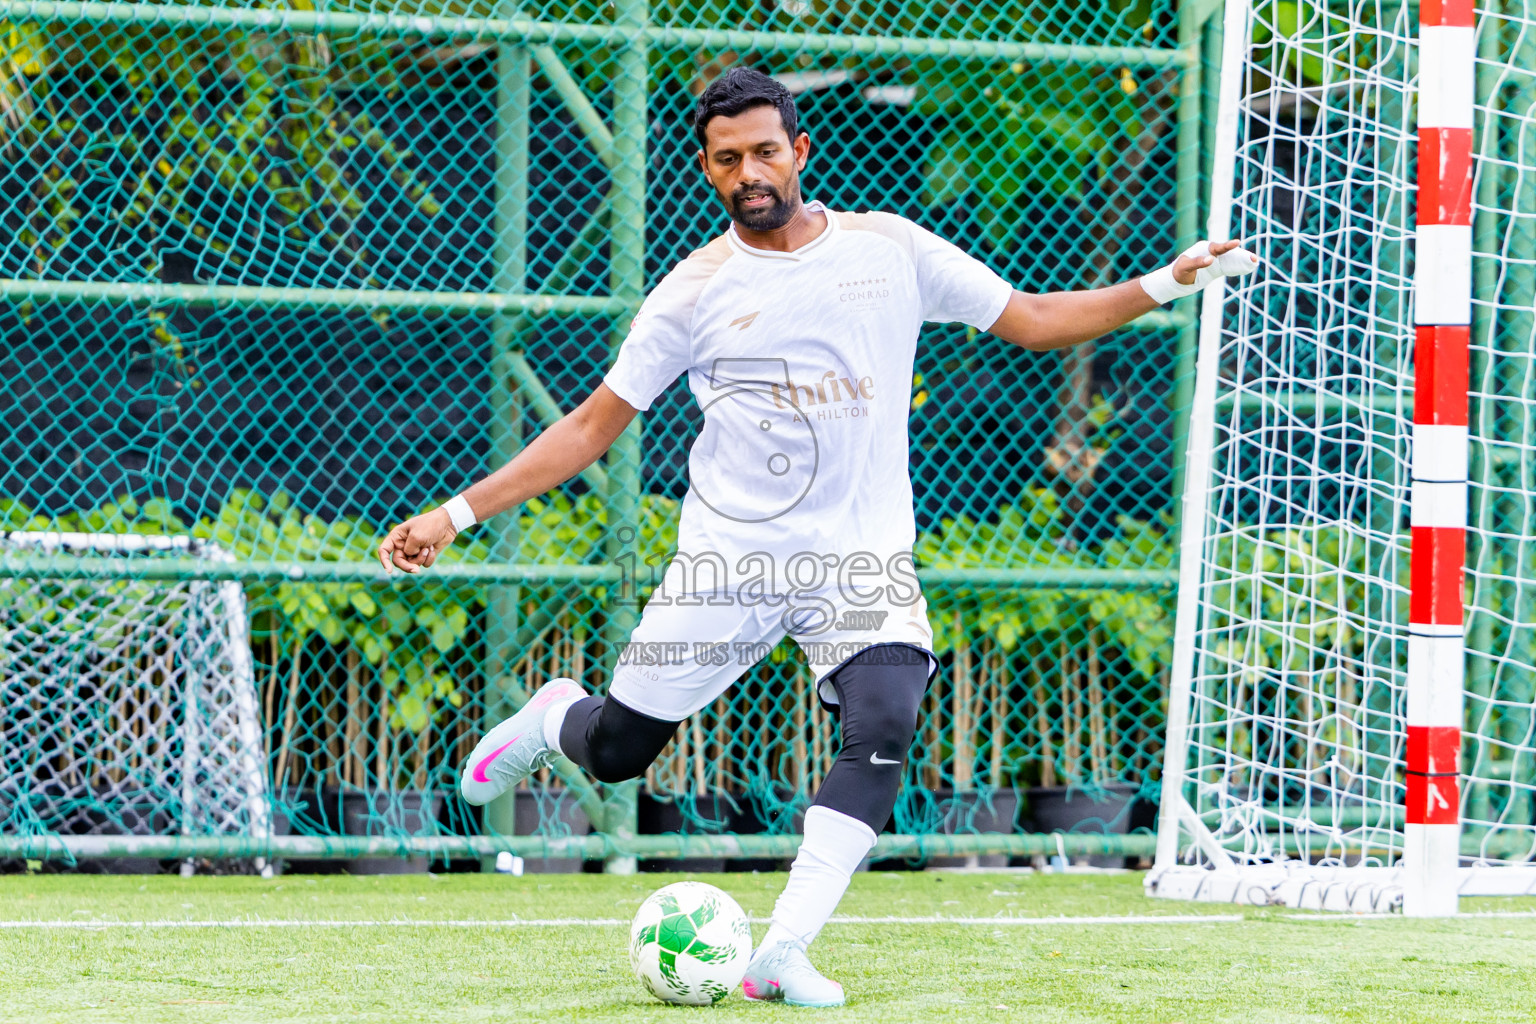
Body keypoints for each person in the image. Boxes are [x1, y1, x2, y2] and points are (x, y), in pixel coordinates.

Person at [378, 66, 1257, 1007]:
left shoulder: (891, 250)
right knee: (618, 751)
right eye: (728, 160)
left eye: (764, 151)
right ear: (710, 171)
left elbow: (1035, 321)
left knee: (885, 717)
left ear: (799, 151)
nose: (749, 171)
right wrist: (452, 515)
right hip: (728, 561)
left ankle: (780, 950)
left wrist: (1168, 282)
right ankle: (556, 715)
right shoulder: (693, 291)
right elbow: (590, 428)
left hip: (860, 559)